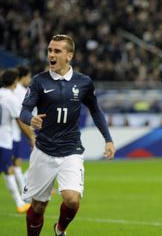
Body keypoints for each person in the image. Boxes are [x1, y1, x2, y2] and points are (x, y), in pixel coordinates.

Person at [20, 34, 116, 236]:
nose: (51, 55)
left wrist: (108, 139)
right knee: (38, 207)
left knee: (72, 199)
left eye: (57, 51)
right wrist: (31, 119)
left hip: (71, 150)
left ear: (69, 55)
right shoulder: (39, 81)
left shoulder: (83, 82)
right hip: (44, 151)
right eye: (50, 50)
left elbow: (96, 110)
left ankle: (60, 229)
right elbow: (24, 112)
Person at [0, 68, 35, 214]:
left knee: (8, 168)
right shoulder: (11, 98)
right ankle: (20, 203)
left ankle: (21, 201)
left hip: (5, 139)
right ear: (15, 81)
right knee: (8, 169)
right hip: (4, 139)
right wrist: (31, 137)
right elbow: (20, 121)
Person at [11, 65, 33, 193]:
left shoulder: (9, 90)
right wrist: (30, 132)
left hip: (13, 130)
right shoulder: (22, 91)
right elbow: (22, 113)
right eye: (29, 76)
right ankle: (24, 189)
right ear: (23, 77)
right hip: (19, 130)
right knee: (16, 162)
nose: (29, 79)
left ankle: (24, 187)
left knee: (15, 162)